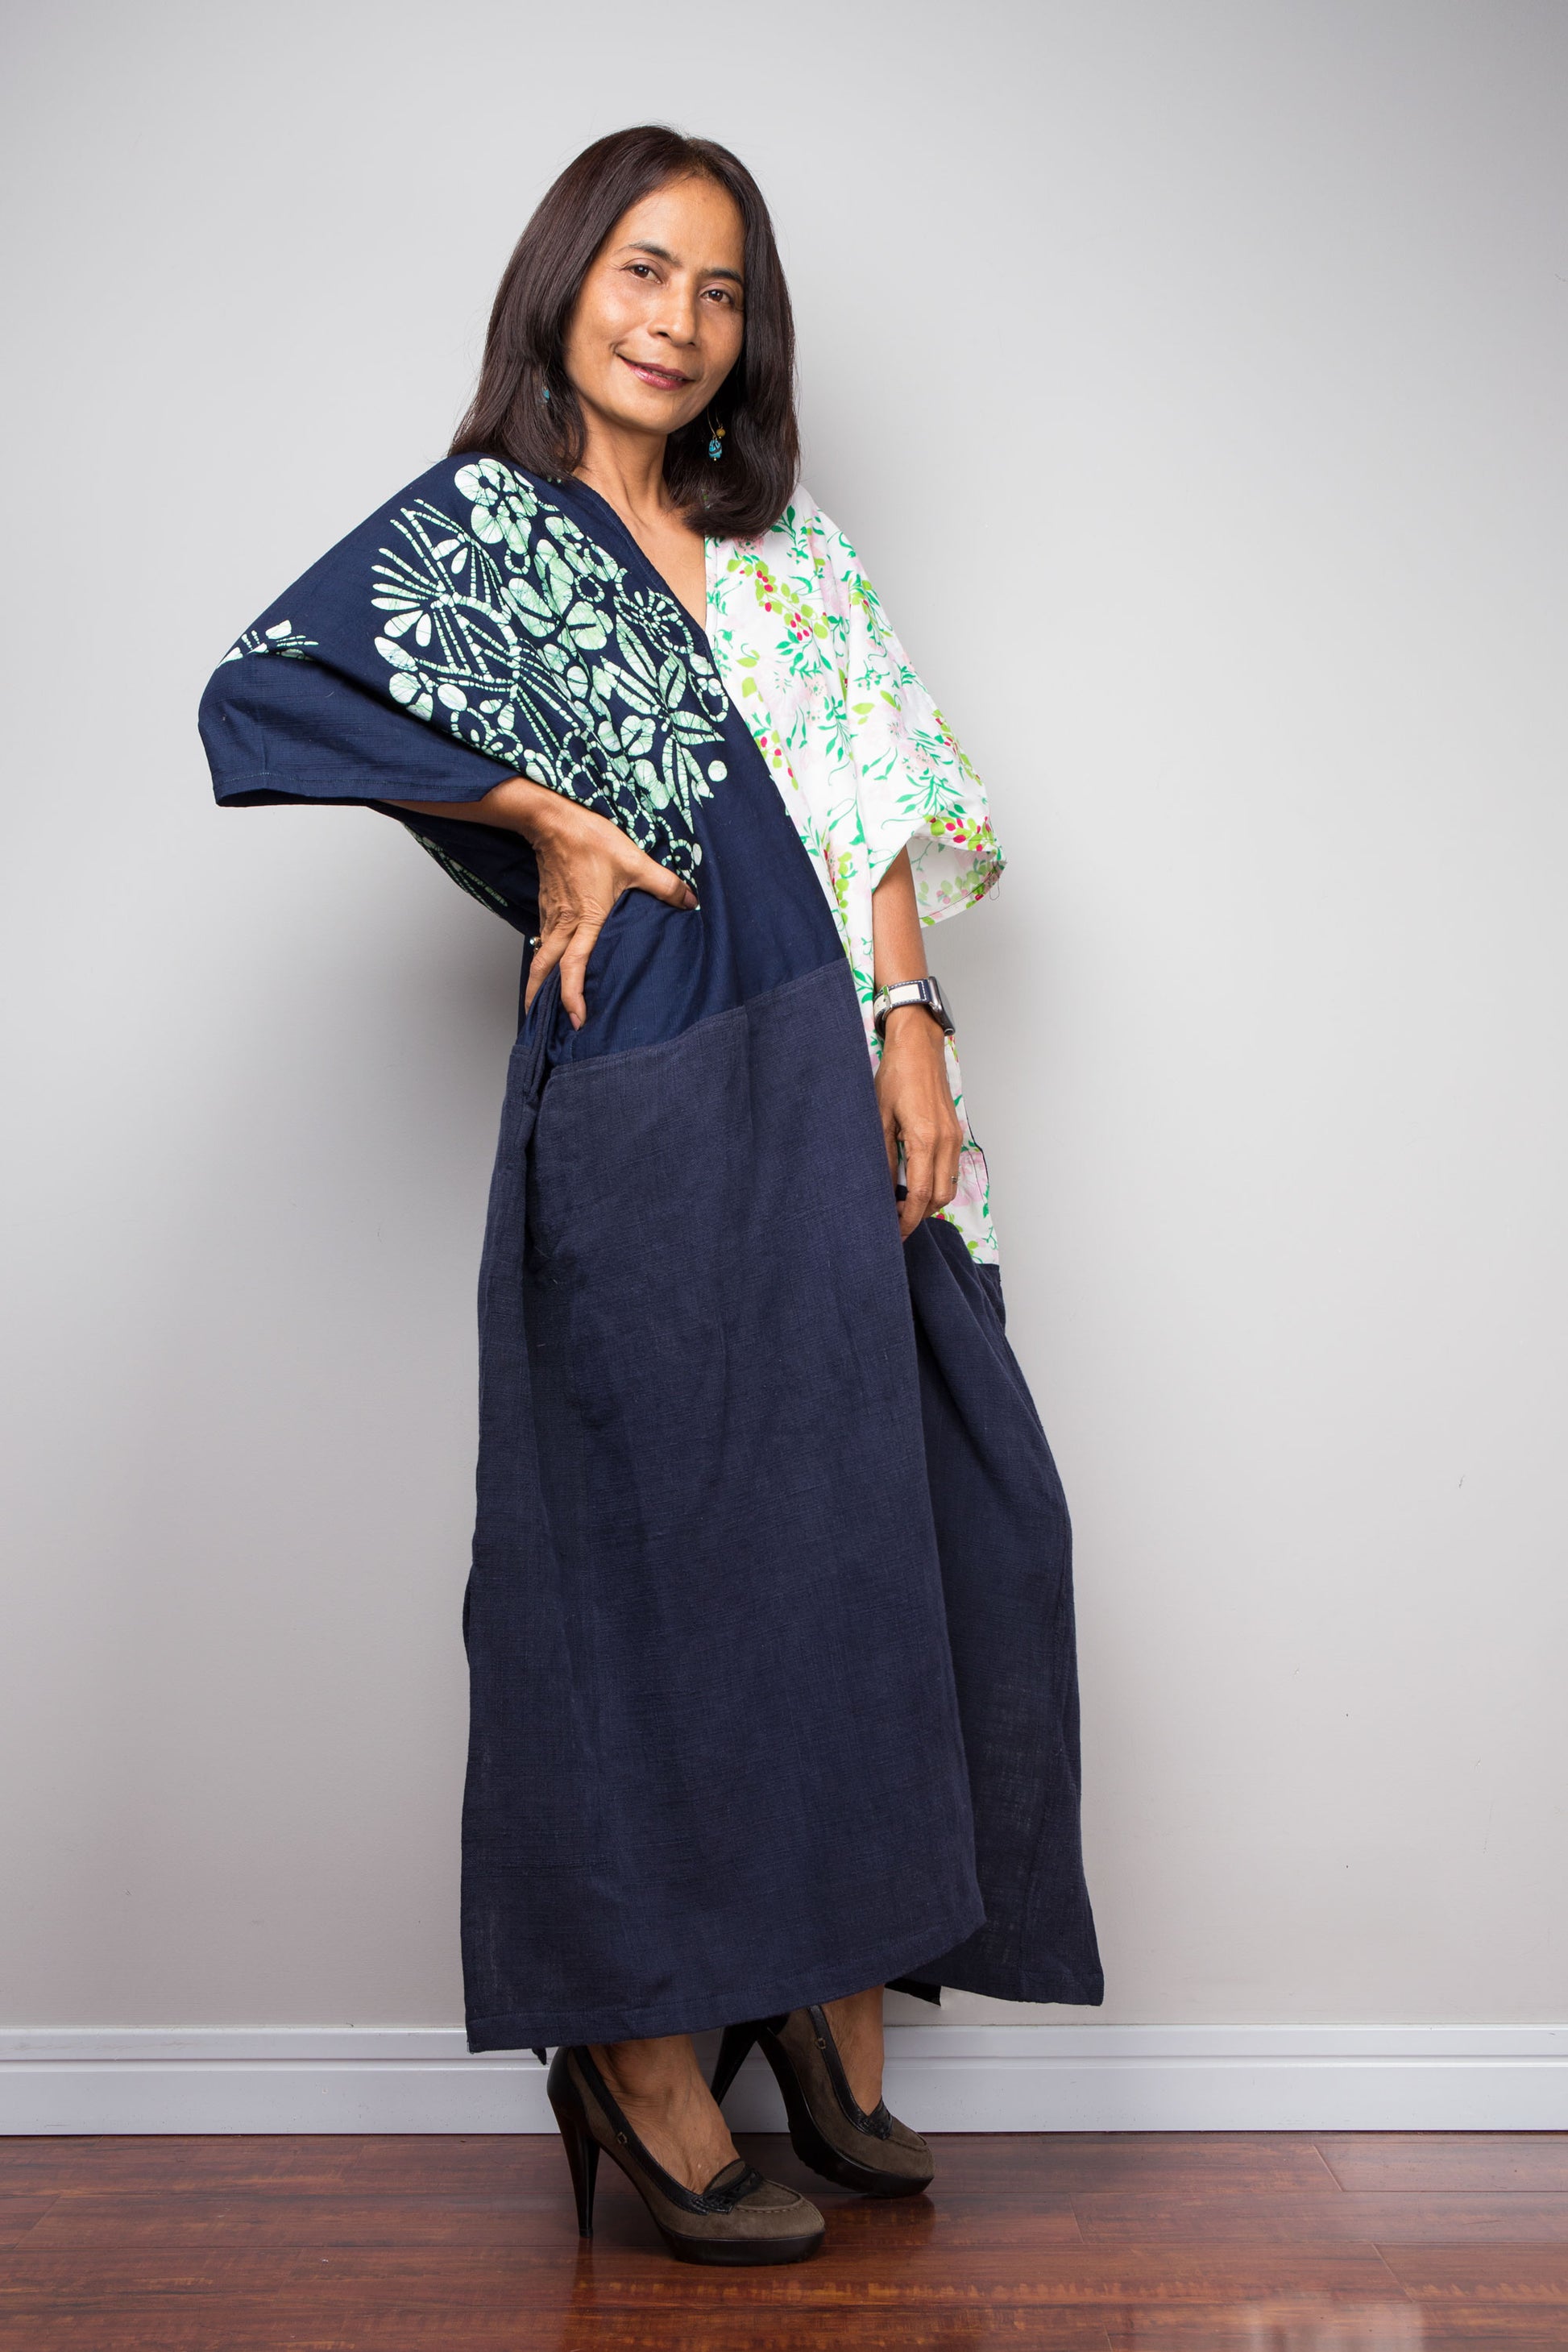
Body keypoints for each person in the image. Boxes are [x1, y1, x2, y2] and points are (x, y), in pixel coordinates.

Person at [200, 124, 1101, 2267]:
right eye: (639, 272)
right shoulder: (490, 541)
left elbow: (875, 787)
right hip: (654, 1063)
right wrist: (545, 823)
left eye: (715, 292)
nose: (675, 324)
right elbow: (264, 688)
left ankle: (820, 1990)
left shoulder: (789, 552)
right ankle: (635, 2049)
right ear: (560, 286)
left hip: (836, 1056)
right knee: (653, 1555)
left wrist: (912, 1024)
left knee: (899, 1528)